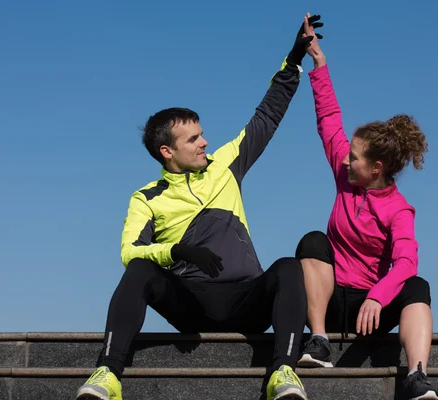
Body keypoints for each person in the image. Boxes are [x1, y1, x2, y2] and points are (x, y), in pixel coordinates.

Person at [75, 15, 324, 400]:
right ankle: (107, 374)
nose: (205, 142)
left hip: (246, 297)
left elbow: (268, 115)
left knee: (289, 268)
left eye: (202, 134)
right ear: (167, 151)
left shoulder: (225, 165)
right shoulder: (147, 197)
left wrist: (293, 59)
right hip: (192, 300)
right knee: (141, 270)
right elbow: (130, 253)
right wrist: (175, 251)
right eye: (194, 139)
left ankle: (284, 373)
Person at [294, 16, 438, 400]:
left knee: (417, 286)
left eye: (355, 158)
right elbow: (329, 120)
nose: (345, 160)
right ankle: (320, 341)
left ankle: (417, 377)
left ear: (376, 168)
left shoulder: (398, 209)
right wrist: (319, 63)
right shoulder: (346, 174)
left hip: (371, 306)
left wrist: (378, 295)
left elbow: (407, 262)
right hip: (331, 302)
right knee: (312, 240)